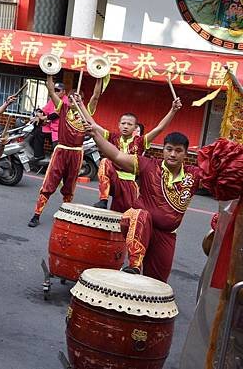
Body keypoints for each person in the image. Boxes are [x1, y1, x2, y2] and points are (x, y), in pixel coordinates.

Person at [86, 116, 200, 282]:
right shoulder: (148, 165)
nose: (173, 154)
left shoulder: (194, 174)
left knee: (157, 283)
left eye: (178, 150)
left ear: (185, 153)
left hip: (167, 234)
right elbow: (117, 156)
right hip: (137, 222)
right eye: (169, 149)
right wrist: (96, 136)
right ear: (163, 150)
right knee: (141, 215)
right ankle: (134, 265)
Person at [27, 75, 102, 228]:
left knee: (69, 185)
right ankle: (36, 214)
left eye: (78, 98)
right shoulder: (63, 108)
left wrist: (99, 79)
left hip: (76, 152)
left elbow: (96, 96)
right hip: (61, 150)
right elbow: (51, 91)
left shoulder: (87, 112)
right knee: (50, 183)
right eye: (73, 97)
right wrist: (49, 74)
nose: (75, 99)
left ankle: (65, 213)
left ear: (82, 100)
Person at [91, 98, 182, 212]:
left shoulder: (140, 141)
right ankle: (103, 199)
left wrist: (173, 110)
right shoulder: (112, 137)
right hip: (115, 180)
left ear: (135, 127)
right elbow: (93, 125)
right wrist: (80, 105)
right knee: (105, 162)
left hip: (130, 184)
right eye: (123, 123)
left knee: (122, 217)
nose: (125, 126)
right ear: (118, 125)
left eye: (129, 124)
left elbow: (159, 128)